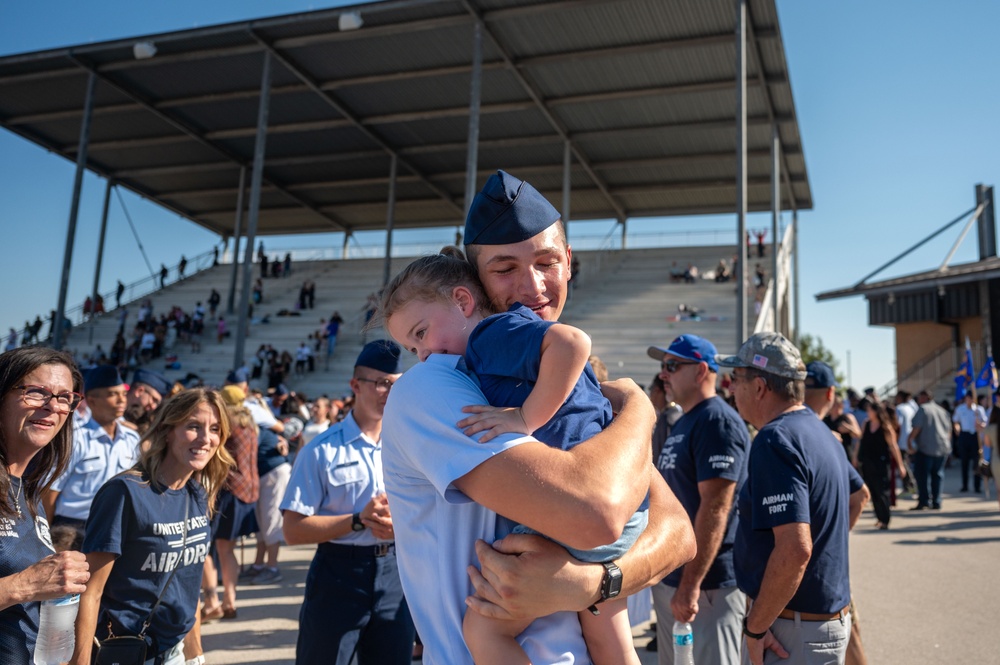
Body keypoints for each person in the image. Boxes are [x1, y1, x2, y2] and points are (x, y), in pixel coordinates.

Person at [380, 170, 696, 663]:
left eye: (547, 262)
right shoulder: (431, 382)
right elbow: (598, 513)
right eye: (504, 268)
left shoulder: (566, 378)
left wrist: (593, 583)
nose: (532, 287)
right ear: (473, 280)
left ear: (569, 263)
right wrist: (637, 408)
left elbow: (678, 534)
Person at [718, 332, 868, 665]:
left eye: (736, 379)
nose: (730, 388)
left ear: (759, 387)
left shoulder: (775, 438)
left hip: (792, 631)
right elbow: (859, 496)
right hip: (811, 623)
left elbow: (795, 548)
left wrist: (756, 627)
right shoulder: (818, 431)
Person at [70, 389, 233, 665]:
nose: (206, 439)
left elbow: (187, 587)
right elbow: (91, 591)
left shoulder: (197, 493)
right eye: (193, 426)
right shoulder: (124, 493)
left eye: (215, 429)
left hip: (177, 652)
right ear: (168, 431)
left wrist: (196, 655)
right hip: (129, 650)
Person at [281, 342, 415, 664]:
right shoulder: (321, 450)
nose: (388, 392)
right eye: (381, 383)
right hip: (339, 572)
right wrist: (358, 520)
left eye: (395, 384)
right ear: (355, 385)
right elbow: (293, 530)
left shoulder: (411, 447)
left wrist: (401, 527)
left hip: (398, 572)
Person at [645, 335, 750, 665]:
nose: (664, 374)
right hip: (676, 579)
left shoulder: (716, 421)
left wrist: (691, 585)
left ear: (702, 370)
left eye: (672, 366)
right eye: (664, 367)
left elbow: (716, 508)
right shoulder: (686, 420)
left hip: (706, 586)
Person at [0, 347, 90, 665]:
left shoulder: (28, 490)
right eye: (36, 392)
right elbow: (24, 585)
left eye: (65, 397)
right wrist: (25, 584)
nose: (52, 406)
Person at [802, 360, 871, 665]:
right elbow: (862, 496)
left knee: (845, 628)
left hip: (808, 572)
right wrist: (838, 535)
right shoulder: (827, 439)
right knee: (849, 627)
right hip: (828, 564)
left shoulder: (810, 435)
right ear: (830, 393)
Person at [45, 366, 141, 539]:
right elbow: (50, 492)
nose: (121, 400)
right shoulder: (75, 438)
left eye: (123, 394)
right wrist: (44, 537)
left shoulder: (132, 439)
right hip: (72, 529)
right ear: (92, 400)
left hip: (115, 527)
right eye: (112, 394)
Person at [201, 386, 258, 622]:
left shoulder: (228, 423)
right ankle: (229, 601)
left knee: (203, 547)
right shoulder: (251, 424)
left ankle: (212, 601)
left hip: (227, 491)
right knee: (226, 549)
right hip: (248, 491)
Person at [858, 399, 906, 529]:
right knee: (872, 491)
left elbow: (894, 447)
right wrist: (855, 458)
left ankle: (885, 518)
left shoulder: (886, 427)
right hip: (868, 462)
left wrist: (901, 466)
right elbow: (860, 441)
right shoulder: (866, 424)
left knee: (882, 491)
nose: (867, 412)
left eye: (869, 410)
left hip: (881, 464)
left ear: (876, 412)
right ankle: (879, 517)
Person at [908, 390, 952, 510]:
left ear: (925, 397)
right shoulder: (943, 411)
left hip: (926, 448)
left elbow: (917, 427)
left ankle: (924, 501)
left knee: (922, 476)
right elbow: (949, 432)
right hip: (942, 447)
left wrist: (909, 441)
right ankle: (937, 501)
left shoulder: (923, 409)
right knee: (937, 475)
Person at [952, 391, 986, 492]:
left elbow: (985, 423)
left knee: (977, 462)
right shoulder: (960, 409)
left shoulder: (979, 410)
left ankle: (977, 486)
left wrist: (980, 424)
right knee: (964, 462)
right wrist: (957, 428)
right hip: (964, 435)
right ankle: (965, 485)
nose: (969, 400)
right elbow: (955, 421)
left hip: (975, 436)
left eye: (971, 398)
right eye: (968, 398)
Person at [122, 368, 171, 435]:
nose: (153, 407)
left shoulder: (145, 423)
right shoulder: (108, 410)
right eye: (154, 399)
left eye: (157, 403)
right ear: (139, 391)